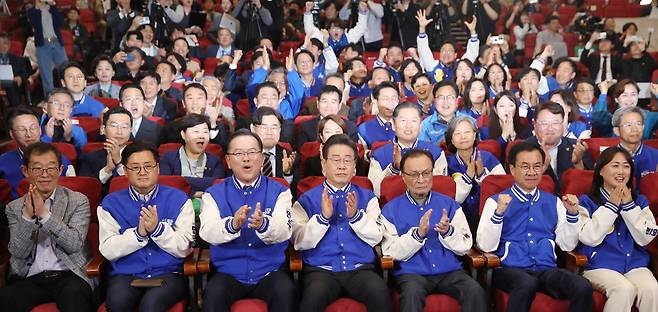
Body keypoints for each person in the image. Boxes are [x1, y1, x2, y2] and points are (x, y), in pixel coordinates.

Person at [477, 142, 594, 312]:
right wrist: (498, 214)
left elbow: (567, 245)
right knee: (526, 283)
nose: (532, 172)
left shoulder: (554, 202)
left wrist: (572, 215)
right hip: (509, 269)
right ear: (512, 169)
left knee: (582, 286)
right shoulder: (495, 201)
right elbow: (486, 246)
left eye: (537, 166)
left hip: (546, 269)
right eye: (525, 167)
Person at [291, 134, 391, 312]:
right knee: (312, 298)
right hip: (320, 270)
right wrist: (322, 219)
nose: (342, 165)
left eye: (347, 160)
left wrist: (356, 218)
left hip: (361, 269)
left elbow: (376, 237)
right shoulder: (306, 199)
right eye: (336, 160)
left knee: (380, 293)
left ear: (354, 168)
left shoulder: (368, 198)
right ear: (324, 165)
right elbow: (299, 242)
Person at [380, 149, 487, 312]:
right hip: (412, 274)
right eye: (414, 174)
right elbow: (390, 252)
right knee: (411, 294)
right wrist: (417, 235)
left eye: (426, 173)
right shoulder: (390, 210)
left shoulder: (450, 205)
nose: (421, 179)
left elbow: (466, 245)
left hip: (450, 271)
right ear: (403, 176)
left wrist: (447, 232)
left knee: (475, 290)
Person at [199, 129, 295, 312]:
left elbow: (285, 230)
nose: (246, 158)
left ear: (261, 158)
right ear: (228, 160)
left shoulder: (280, 191)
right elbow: (207, 231)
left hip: (270, 272)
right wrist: (232, 225)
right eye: (239, 153)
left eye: (252, 152)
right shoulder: (213, 194)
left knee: (286, 291)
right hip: (227, 273)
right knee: (213, 294)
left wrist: (264, 224)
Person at [98, 141, 195, 311]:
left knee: (151, 305)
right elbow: (107, 250)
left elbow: (185, 247)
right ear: (125, 171)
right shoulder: (110, 204)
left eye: (148, 166)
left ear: (157, 168)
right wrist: (138, 234)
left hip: (168, 274)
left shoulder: (179, 200)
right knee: (117, 302)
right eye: (135, 167)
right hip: (125, 274)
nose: (142, 172)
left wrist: (158, 231)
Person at [0, 142, 93, 312]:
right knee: (5, 298)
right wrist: (28, 218)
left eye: (51, 168)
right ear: (25, 171)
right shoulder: (14, 207)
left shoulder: (78, 201)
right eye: (37, 169)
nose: (45, 175)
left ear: (60, 169)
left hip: (68, 274)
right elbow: (18, 252)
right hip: (30, 277)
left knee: (75, 295)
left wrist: (44, 215)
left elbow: (74, 244)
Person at [577, 147, 658, 312]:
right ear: (600, 170)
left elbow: (647, 237)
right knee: (623, 289)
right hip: (598, 266)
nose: (621, 171)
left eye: (626, 166)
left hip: (635, 265)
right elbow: (589, 237)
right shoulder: (586, 201)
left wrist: (629, 207)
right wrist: (611, 206)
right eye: (615, 166)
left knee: (651, 287)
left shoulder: (639, 201)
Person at [369, 102, 447, 197]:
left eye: (414, 121)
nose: (408, 125)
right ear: (393, 124)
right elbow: (375, 191)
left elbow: (441, 188)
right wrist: (394, 169)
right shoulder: (379, 155)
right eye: (403, 121)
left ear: (421, 125)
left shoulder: (435, 153)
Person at [0, 106, 75, 199]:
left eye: (33, 128)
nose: (29, 134)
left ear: (40, 130)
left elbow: (73, 192)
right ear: (12, 134)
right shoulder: (2, 162)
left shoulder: (60, 158)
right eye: (22, 129)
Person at [445, 116, 504, 233]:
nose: (463, 137)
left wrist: (481, 174)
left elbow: (501, 190)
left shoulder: (489, 158)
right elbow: (450, 198)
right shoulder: (446, 163)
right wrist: (468, 176)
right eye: (457, 133)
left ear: (475, 135)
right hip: (458, 219)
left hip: (487, 216)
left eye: (467, 132)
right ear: (451, 139)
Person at [528, 102, 592, 191]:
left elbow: (589, 186)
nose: (550, 128)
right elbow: (517, 185)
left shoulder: (577, 147)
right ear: (534, 124)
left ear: (563, 124)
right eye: (544, 123)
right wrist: (543, 166)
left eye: (555, 123)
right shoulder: (523, 149)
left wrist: (578, 164)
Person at [79, 106, 132, 194]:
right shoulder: (90, 158)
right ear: (103, 129)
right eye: (114, 126)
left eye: (124, 127)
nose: (119, 131)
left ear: (130, 130)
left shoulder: (138, 156)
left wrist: (119, 164)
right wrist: (107, 170)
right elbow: (84, 191)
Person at [416, 10, 479, 84]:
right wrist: (422, 28)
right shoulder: (432, 65)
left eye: (449, 51)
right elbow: (423, 50)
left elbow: (472, 53)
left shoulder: (460, 65)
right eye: (443, 51)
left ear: (455, 55)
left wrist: (473, 32)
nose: (446, 53)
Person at [297, 85, 358, 150]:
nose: (329, 106)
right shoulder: (306, 127)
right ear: (318, 104)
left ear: (339, 105)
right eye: (325, 101)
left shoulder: (350, 127)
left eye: (333, 102)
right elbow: (302, 154)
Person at [28, 0, 69, 96]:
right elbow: (35, 24)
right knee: (46, 75)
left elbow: (61, 23)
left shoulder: (52, 8)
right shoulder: (32, 11)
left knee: (66, 69)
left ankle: (70, 94)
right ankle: (49, 99)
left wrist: (53, 6)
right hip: (43, 45)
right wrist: (38, 8)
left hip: (57, 42)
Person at [612, 106, 658, 190]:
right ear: (617, 131)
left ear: (643, 127)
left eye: (638, 124)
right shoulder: (607, 157)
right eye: (628, 125)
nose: (634, 129)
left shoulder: (656, 156)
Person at [250, 107, 296, 184]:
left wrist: (287, 173)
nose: (269, 132)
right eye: (264, 127)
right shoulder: (242, 156)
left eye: (274, 127)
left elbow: (294, 192)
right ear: (253, 129)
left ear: (280, 130)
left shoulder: (289, 157)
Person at [419, 80, 473, 145]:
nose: (445, 102)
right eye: (441, 97)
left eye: (450, 97)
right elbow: (423, 151)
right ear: (435, 101)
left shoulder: (470, 121)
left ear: (456, 101)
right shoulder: (425, 125)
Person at [357, 81, 399, 149]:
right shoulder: (364, 128)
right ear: (376, 102)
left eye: (394, 98)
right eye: (385, 99)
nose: (390, 103)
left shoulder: (406, 124)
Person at [0, 32, 29, 106]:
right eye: (0, 43)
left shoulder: (18, 59)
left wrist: (20, 77)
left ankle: (15, 110)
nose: (2, 46)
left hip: (12, 84)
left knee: (12, 85)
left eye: (5, 43)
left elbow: (25, 73)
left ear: (9, 44)